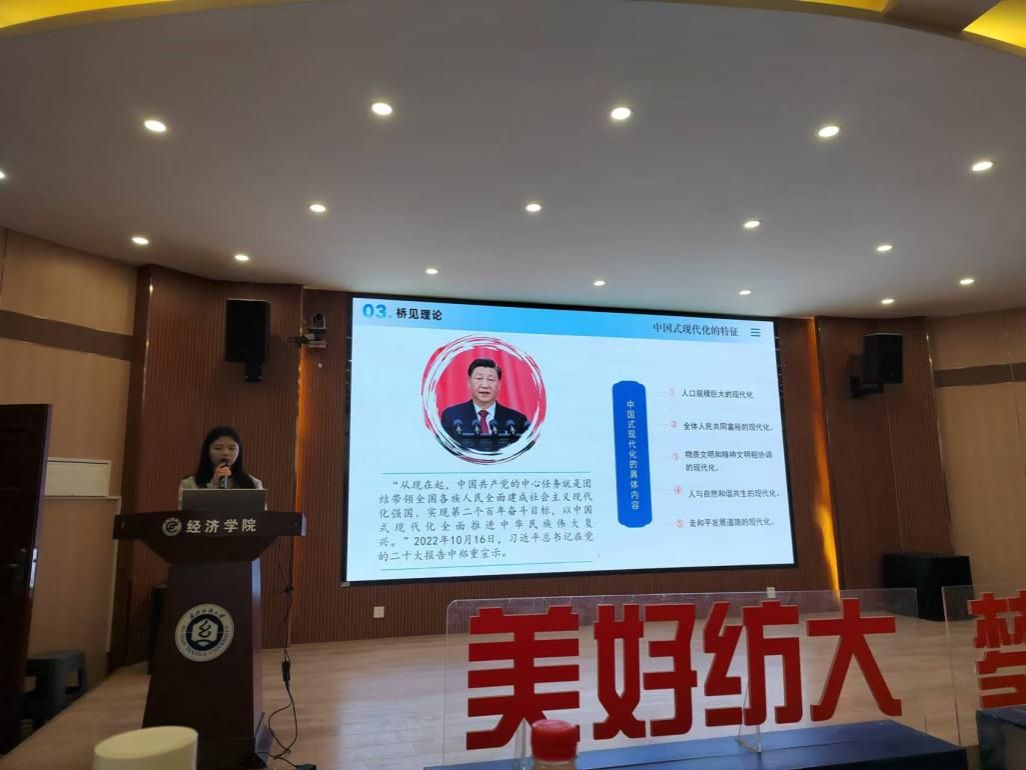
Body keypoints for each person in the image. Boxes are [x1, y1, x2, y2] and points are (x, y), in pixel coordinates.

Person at [441, 358, 529, 441]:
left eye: (491, 379)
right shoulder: (451, 416)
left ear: (499, 384)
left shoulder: (517, 420)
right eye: (479, 378)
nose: (485, 385)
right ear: (469, 382)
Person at [179, 426, 263, 504]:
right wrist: (214, 484)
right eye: (218, 448)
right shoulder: (189, 484)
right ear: (207, 451)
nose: (225, 453)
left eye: (232, 448)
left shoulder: (254, 484)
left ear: (239, 452)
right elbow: (187, 513)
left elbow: (261, 514)